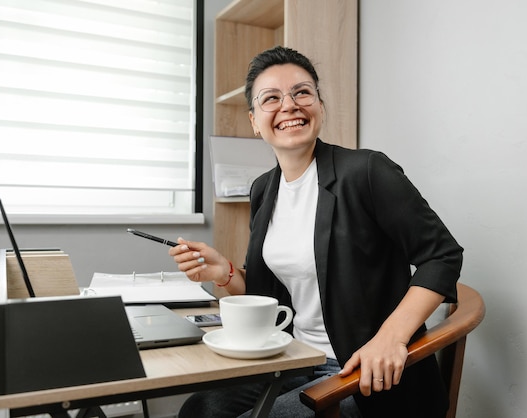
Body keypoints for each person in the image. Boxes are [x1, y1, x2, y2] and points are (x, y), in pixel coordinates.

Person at [169, 46, 463, 418]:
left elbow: (443, 256)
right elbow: (270, 295)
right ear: (255, 121)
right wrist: (223, 273)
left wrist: (390, 338)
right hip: (297, 361)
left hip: (362, 374)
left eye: (302, 92)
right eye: (271, 98)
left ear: (320, 107)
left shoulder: (367, 171)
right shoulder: (263, 189)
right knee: (199, 410)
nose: (289, 105)